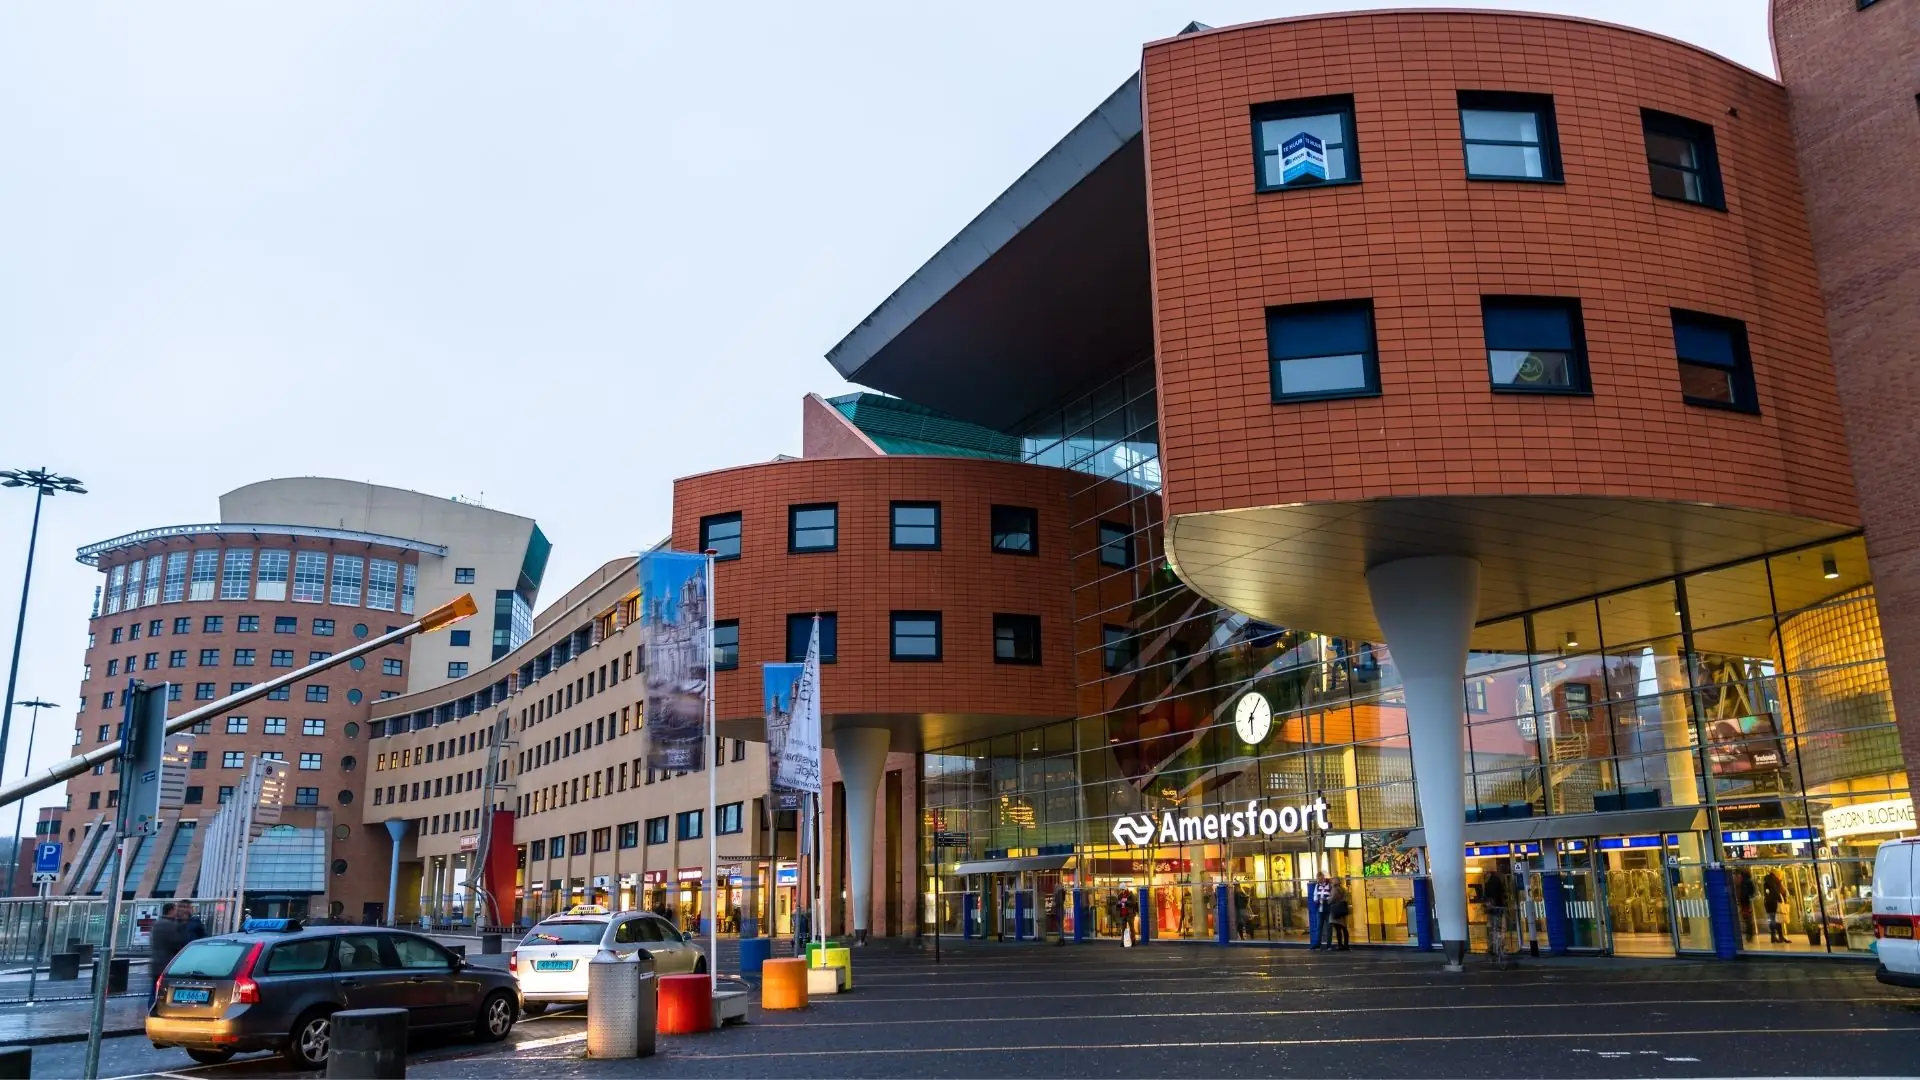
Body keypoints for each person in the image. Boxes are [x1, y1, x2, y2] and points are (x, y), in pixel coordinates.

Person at [147, 903, 180, 1008]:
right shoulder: (170, 925)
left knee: (154, 990)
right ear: (171, 910)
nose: (177, 912)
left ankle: (151, 1009)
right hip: (166, 964)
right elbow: (176, 943)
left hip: (156, 963)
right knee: (162, 991)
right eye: (175, 909)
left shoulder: (157, 923)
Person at [1481, 868, 1510, 967]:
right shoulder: (1497, 880)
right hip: (1498, 908)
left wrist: (1487, 905)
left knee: (1493, 927)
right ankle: (1498, 946)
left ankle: (1494, 947)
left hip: (1494, 909)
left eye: (1485, 871)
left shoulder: (1492, 882)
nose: (1484, 873)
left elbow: (1491, 896)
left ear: (1489, 872)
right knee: (1497, 927)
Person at [1310, 874, 1333, 950]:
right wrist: (1316, 899)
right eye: (1318, 879)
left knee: (1329, 927)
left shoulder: (1329, 885)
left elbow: (1332, 896)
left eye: (1320, 879)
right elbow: (1315, 895)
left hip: (1328, 909)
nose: (1319, 881)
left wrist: (1325, 899)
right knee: (1319, 927)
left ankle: (1329, 945)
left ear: (1323, 878)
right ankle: (1318, 944)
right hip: (1320, 909)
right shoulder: (1317, 886)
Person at [1763, 871, 1786, 943]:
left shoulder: (1766, 883)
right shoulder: (1776, 881)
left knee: (1771, 919)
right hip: (1775, 903)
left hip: (1768, 903)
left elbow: (1766, 893)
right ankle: (1780, 936)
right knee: (1778, 919)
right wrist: (1782, 900)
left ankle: (1773, 936)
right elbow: (1780, 891)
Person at [1329, 880, 1351, 951]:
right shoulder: (1344, 889)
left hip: (1336, 910)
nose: (1331, 883)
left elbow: (1331, 900)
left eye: (1332, 881)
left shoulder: (1334, 889)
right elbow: (1347, 898)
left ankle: (1340, 945)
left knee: (1337, 928)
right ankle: (1346, 945)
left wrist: (1328, 900)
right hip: (1343, 910)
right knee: (1344, 928)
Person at [1737, 869, 1758, 942]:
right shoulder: (1748, 882)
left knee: (1746, 919)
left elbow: (1743, 894)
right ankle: (1749, 934)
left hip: (1745, 903)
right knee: (1748, 919)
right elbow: (1752, 892)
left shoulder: (1743, 882)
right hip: (1747, 903)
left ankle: (1749, 934)